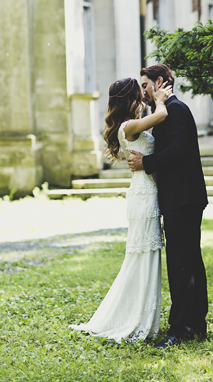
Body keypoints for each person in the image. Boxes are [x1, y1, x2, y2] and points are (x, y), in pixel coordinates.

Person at [69, 76, 172, 343]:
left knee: (143, 255)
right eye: (140, 93)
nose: (143, 97)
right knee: (144, 256)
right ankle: (134, 318)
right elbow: (161, 115)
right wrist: (160, 100)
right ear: (130, 98)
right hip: (144, 195)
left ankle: (137, 313)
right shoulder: (129, 126)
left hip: (143, 190)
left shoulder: (128, 125)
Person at [127, 64, 208, 348]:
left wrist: (145, 163)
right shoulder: (165, 110)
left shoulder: (176, 110)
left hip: (183, 197)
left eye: (146, 85)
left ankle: (181, 329)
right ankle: (197, 323)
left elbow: (177, 151)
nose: (143, 91)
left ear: (160, 82)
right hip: (179, 197)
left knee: (181, 263)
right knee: (189, 260)